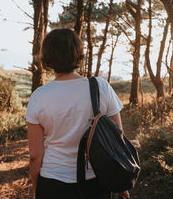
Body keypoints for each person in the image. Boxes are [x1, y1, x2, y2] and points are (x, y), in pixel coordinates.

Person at [26, 28, 130, 199]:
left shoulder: (39, 96)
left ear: (47, 58)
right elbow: (117, 138)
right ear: (78, 55)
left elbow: (35, 155)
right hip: (96, 180)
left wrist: (38, 190)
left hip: (53, 182)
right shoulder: (100, 87)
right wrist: (120, 183)